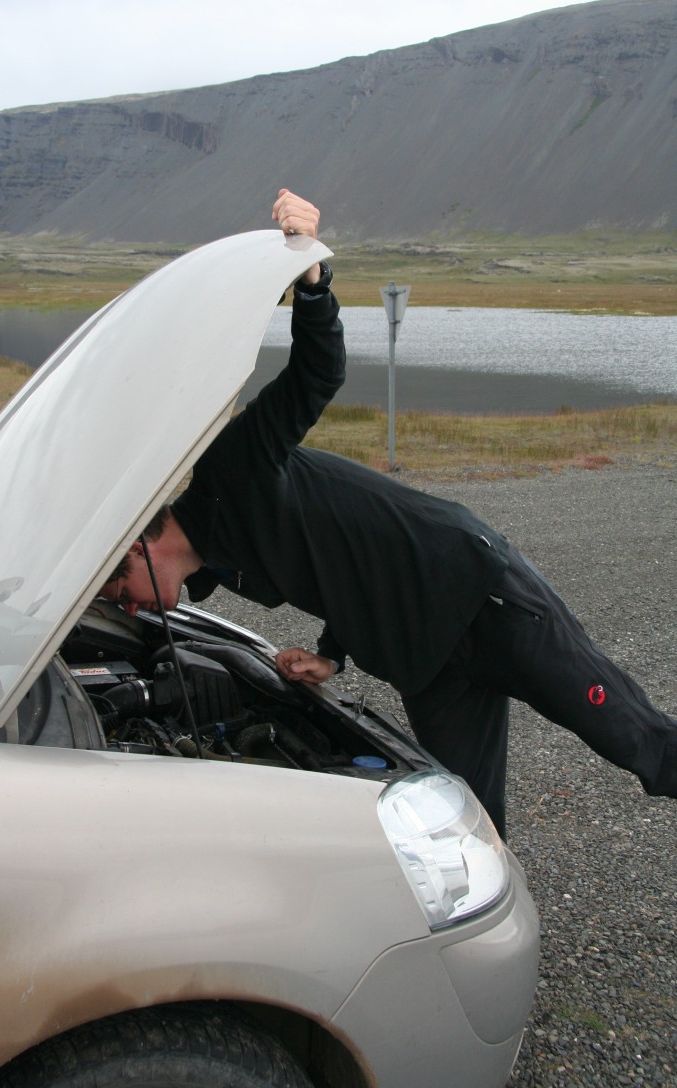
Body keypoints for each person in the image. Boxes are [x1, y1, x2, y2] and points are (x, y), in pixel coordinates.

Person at [101, 188, 676, 839]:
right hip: (428, 671)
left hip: (481, 599)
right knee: (464, 827)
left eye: (122, 590)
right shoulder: (222, 564)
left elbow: (318, 374)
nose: (131, 608)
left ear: (141, 546)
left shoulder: (229, 471)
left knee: (638, 743)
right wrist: (331, 658)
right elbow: (341, 562)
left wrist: (310, 278)